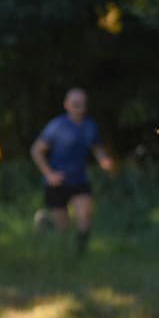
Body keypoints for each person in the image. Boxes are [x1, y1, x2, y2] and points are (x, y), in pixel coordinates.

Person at [32, 86, 116, 252]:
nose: (79, 106)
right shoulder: (57, 126)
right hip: (57, 182)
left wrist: (104, 160)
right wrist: (49, 174)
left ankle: (80, 255)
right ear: (66, 105)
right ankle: (44, 222)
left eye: (82, 103)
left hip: (79, 180)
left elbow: (97, 148)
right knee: (62, 228)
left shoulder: (90, 126)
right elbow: (36, 150)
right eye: (75, 103)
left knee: (85, 216)